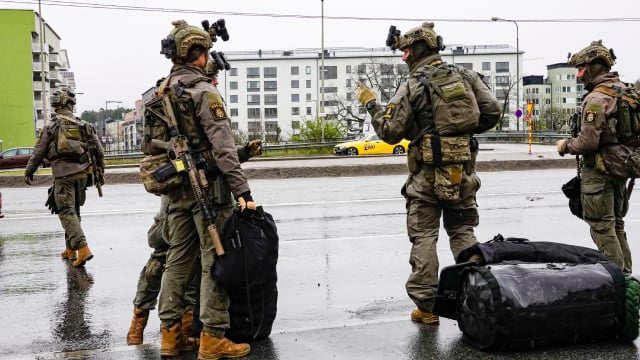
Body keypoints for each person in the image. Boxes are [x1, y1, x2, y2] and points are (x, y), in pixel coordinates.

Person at [357, 22, 501, 324]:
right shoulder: (466, 76)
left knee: (424, 236)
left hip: (426, 178)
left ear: (415, 51)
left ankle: (427, 307)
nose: (403, 57)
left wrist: (371, 104)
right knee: (462, 232)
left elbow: (390, 131)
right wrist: (460, 135)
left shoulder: (412, 84)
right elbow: (492, 112)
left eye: (405, 51)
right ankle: (474, 292)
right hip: (462, 173)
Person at [155, 19, 256, 359]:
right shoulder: (203, 92)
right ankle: (212, 337)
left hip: (175, 188)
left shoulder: (161, 91)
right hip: (208, 188)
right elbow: (224, 148)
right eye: (205, 52)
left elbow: (151, 146)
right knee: (216, 259)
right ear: (198, 54)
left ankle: (171, 335)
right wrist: (243, 191)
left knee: (177, 260)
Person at [126, 138, 262, 346]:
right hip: (178, 197)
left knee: (199, 266)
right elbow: (152, 146)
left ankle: (183, 329)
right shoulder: (174, 114)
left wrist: (243, 152)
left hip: (210, 195)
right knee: (161, 259)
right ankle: (140, 316)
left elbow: (218, 153)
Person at [557, 40, 633, 274]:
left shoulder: (597, 99)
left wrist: (565, 145)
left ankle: (616, 283)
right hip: (621, 168)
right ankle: (628, 278)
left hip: (600, 173)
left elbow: (588, 142)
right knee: (616, 224)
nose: (579, 75)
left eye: (581, 69)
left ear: (594, 67)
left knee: (601, 227)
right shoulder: (625, 91)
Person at [24, 89, 105, 268]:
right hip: (83, 174)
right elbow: (99, 151)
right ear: (70, 104)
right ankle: (70, 249)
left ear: (56, 105)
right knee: (74, 211)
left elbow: (39, 151)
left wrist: (29, 170)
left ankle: (83, 248)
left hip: (63, 175)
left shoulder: (51, 126)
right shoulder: (84, 124)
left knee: (66, 212)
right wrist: (101, 172)